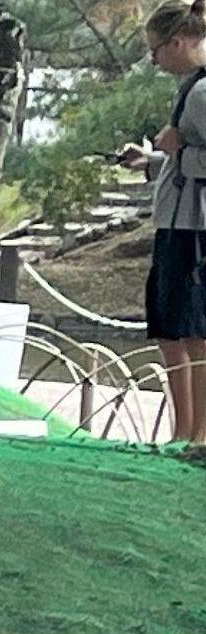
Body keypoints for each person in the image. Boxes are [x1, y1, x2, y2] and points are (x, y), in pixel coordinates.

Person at [140, 3, 206, 441]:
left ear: (177, 43)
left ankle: (198, 434)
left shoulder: (202, 94)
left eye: (156, 50)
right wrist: (157, 157)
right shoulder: (191, 89)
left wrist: (180, 150)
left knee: (195, 331)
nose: (154, 60)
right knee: (171, 328)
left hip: (195, 229)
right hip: (177, 224)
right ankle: (183, 431)